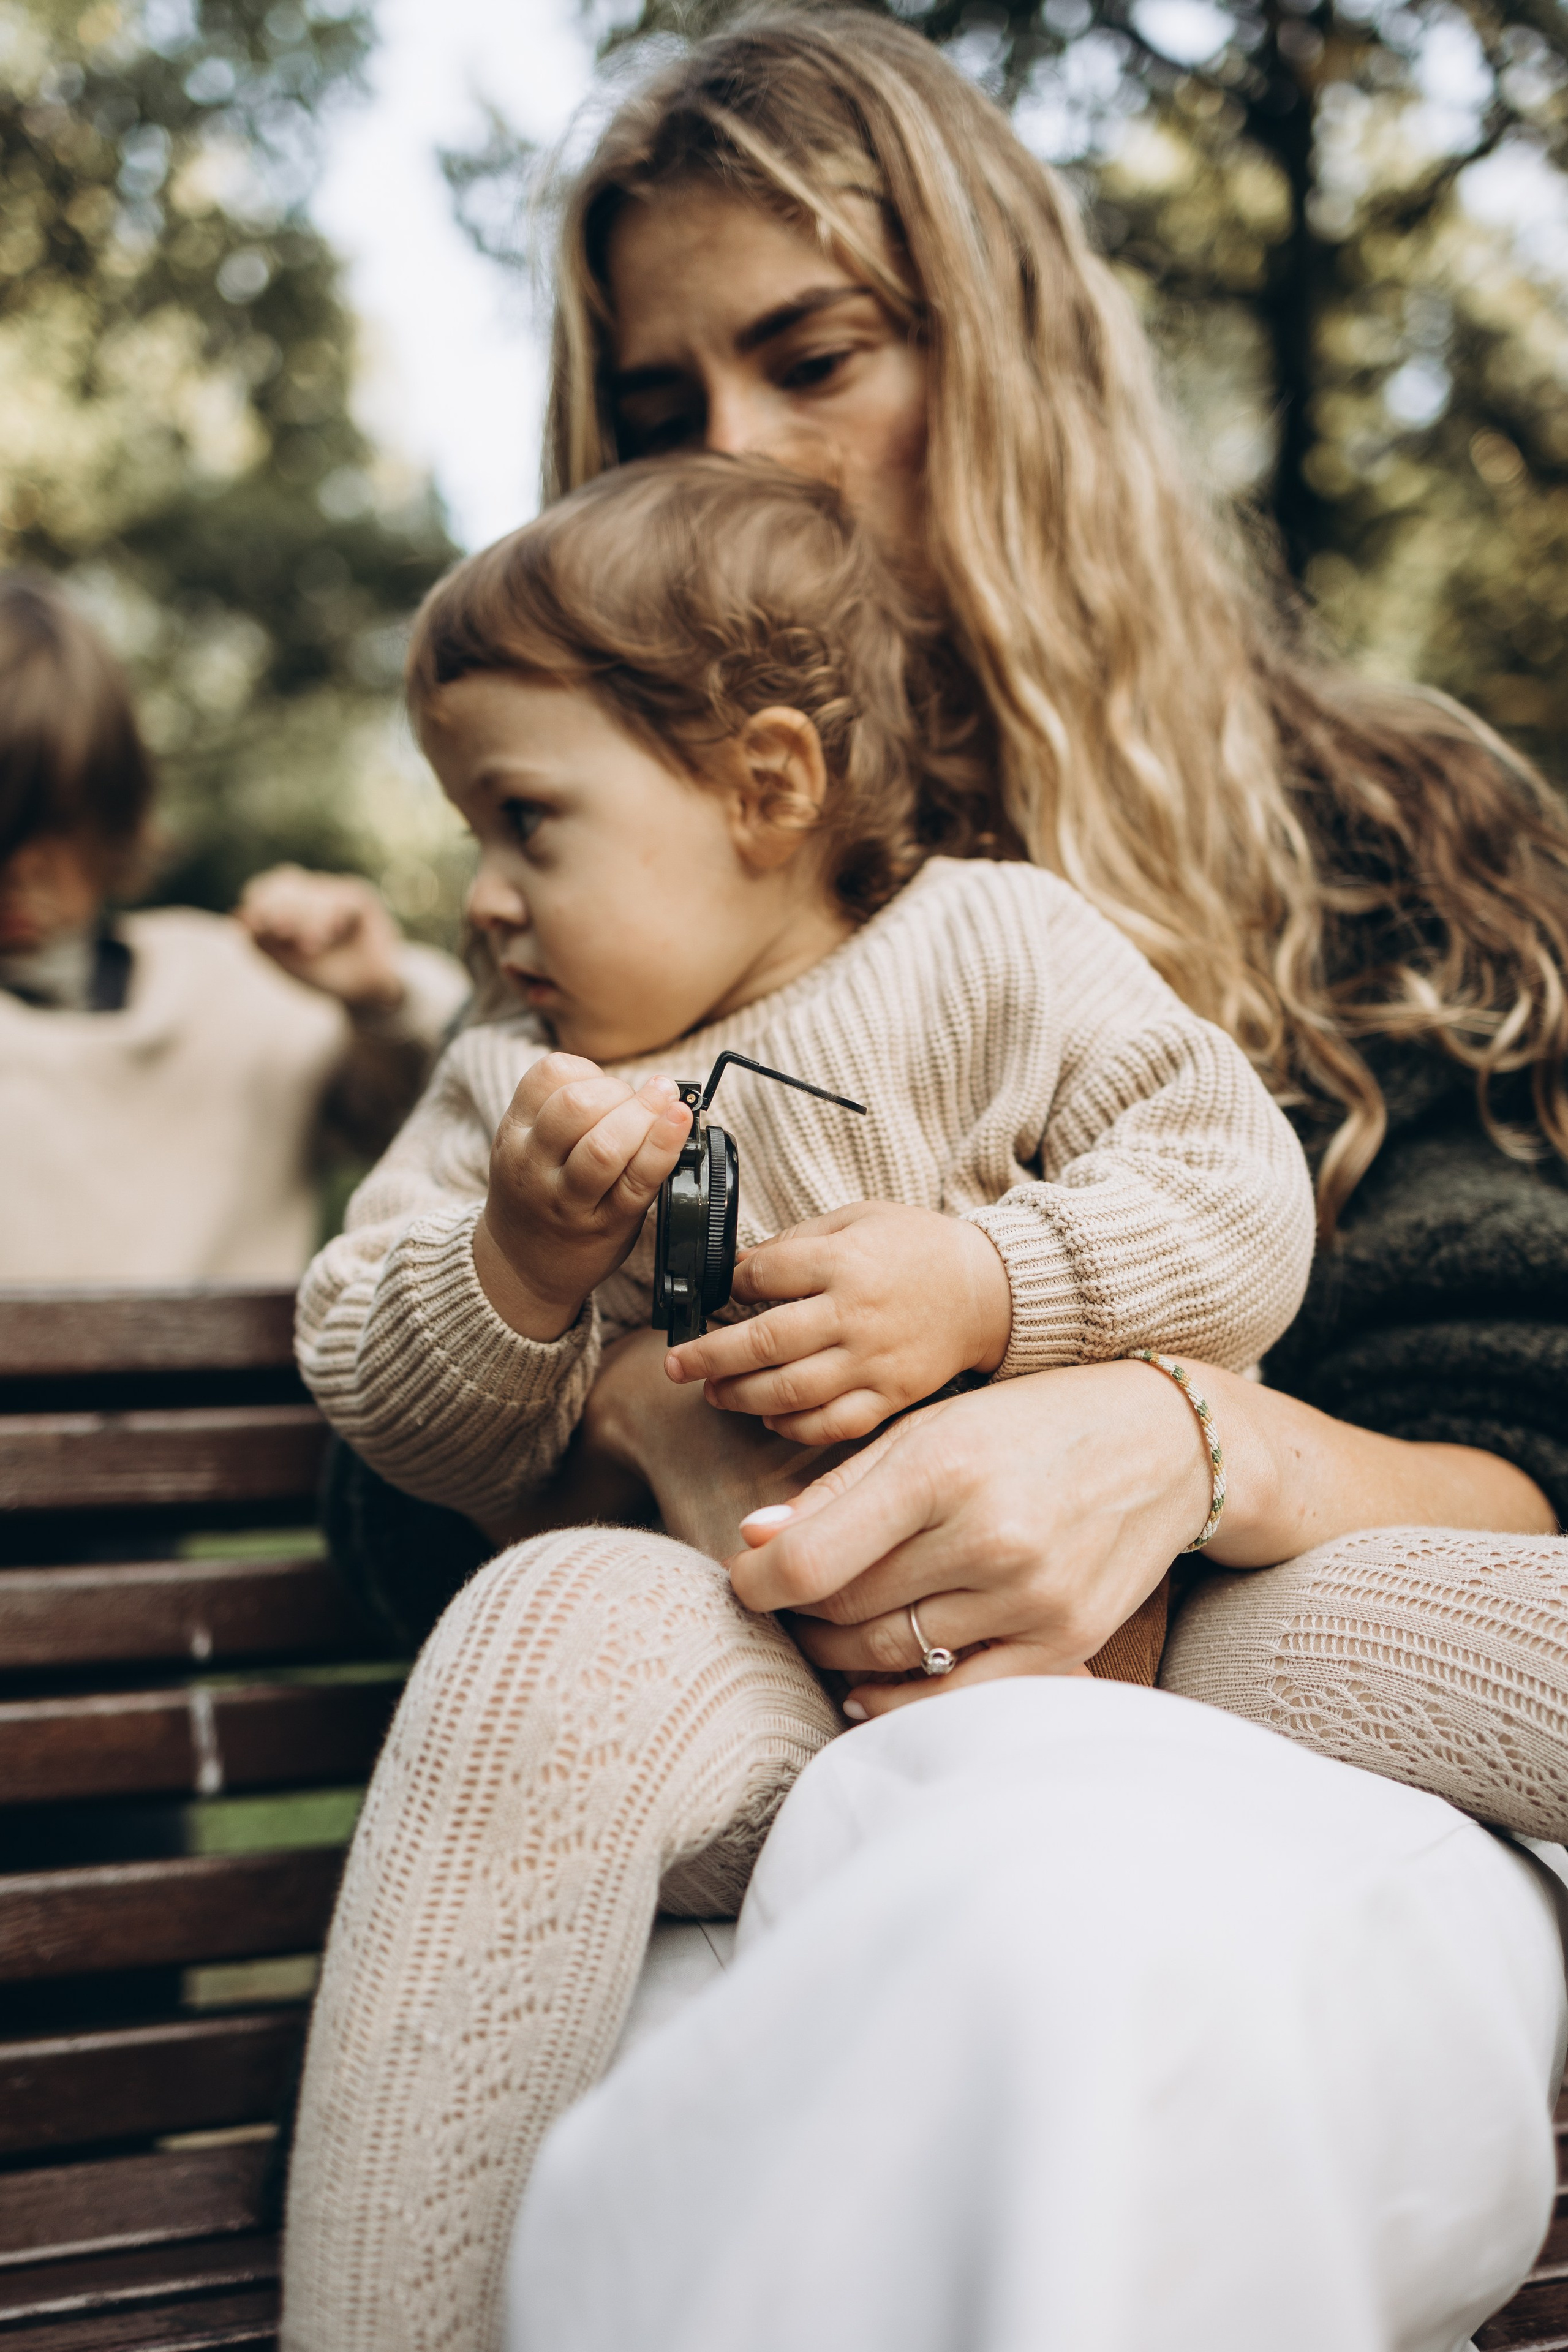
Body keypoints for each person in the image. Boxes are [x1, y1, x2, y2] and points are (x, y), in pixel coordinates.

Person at [280, 15, 1568, 2350]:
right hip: (771, 1770)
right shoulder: (598, 916)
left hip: (1292, 1773)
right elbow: (402, 1464)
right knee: (725, 2158)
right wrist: (622, 1403)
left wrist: (1166, 1434)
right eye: (657, 411)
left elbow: (1537, 1419)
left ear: (1006, 359)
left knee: (1052, 1988)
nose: (739, 451)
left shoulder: (1390, 848)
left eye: (815, 352)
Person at [298, 451, 1315, 1690]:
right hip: (756, 1670)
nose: (486, 902)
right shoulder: (512, 1082)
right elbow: (376, 1391)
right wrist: (514, 1264)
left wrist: (987, 1280)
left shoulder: (994, 945)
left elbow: (1237, 1189)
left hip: (1173, 1614)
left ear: (763, 786)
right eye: (474, 836)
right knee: (530, 1655)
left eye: (524, 821)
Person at [0, 571, 469, 1281]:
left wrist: (377, 994)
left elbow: (469, 1103)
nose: (23, 870)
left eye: (57, 822)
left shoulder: (232, 989)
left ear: (111, 805)